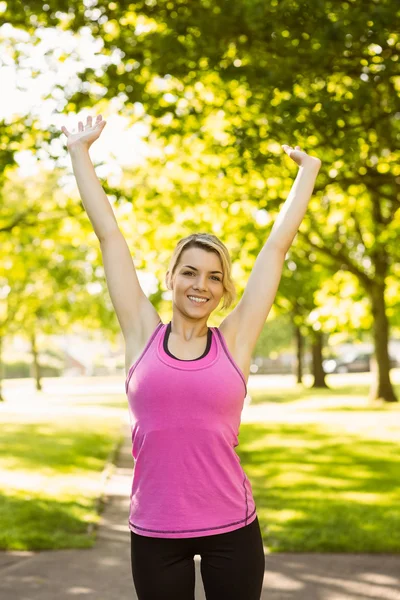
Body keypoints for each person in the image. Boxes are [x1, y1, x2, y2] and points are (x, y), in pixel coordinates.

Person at [61, 114, 321, 599]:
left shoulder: (235, 340)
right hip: (155, 528)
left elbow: (277, 247)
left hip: (231, 528)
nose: (201, 284)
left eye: (214, 277)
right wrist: (80, 152)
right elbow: (110, 237)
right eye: (190, 272)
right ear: (171, 278)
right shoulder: (141, 332)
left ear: (224, 291)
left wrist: (307, 171)